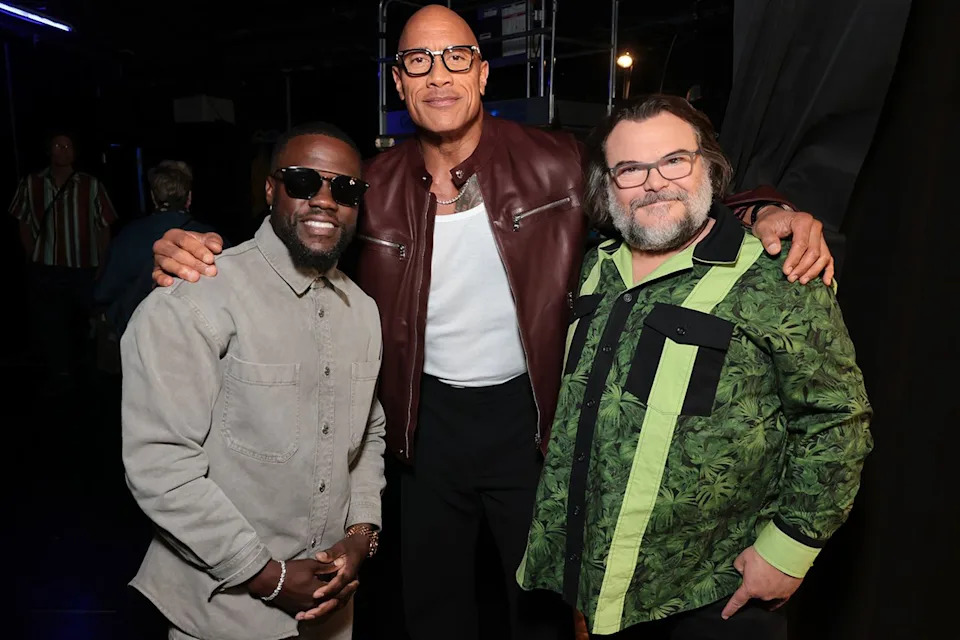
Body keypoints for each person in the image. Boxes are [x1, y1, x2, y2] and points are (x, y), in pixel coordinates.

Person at [149, 7, 835, 639]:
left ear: (481, 72)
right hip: (422, 427)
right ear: (399, 81)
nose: (438, 74)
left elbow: (656, 190)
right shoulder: (374, 184)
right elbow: (299, 232)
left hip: (533, 419)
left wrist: (765, 208)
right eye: (418, 61)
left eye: (455, 57)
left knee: (538, 603)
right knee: (432, 608)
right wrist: (194, 246)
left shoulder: (557, 161)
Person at [517, 95, 873, 640]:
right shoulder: (591, 268)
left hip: (709, 597)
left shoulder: (778, 275)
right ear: (607, 185)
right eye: (630, 169)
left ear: (707, 166)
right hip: (587, 587)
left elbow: (837, 419)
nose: (654, 182)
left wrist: (789, 551)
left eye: (674, 161)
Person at [121, 123, 386, 640]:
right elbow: (159, 466)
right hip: (223, 615)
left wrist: (360, 536)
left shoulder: (365, 312)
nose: (325, 200)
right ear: (270, 190)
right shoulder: (197, 297)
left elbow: (367, 433)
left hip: (332, 611)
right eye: (303, 182)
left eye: (345, 189)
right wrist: (267, 576)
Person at [9, 131, 117, 388]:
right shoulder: (32, 183)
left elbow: (104, 224)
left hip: (83, 267)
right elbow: (22, 221)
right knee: (51, 321)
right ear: (49, 150)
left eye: (68, 145)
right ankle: (60, 373)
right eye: (58, 145)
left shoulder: (90, 184)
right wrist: (32, 253)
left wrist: (103, 261)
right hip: (46, 267)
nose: (63, 150)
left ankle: (91, 372)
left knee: (87, 320)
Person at [95, 160, 225, 336]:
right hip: (198, 341)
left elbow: (104, 295)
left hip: (138, 338)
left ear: (153, 197)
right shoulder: (213, 241)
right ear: (189, 198)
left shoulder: (128, 236)